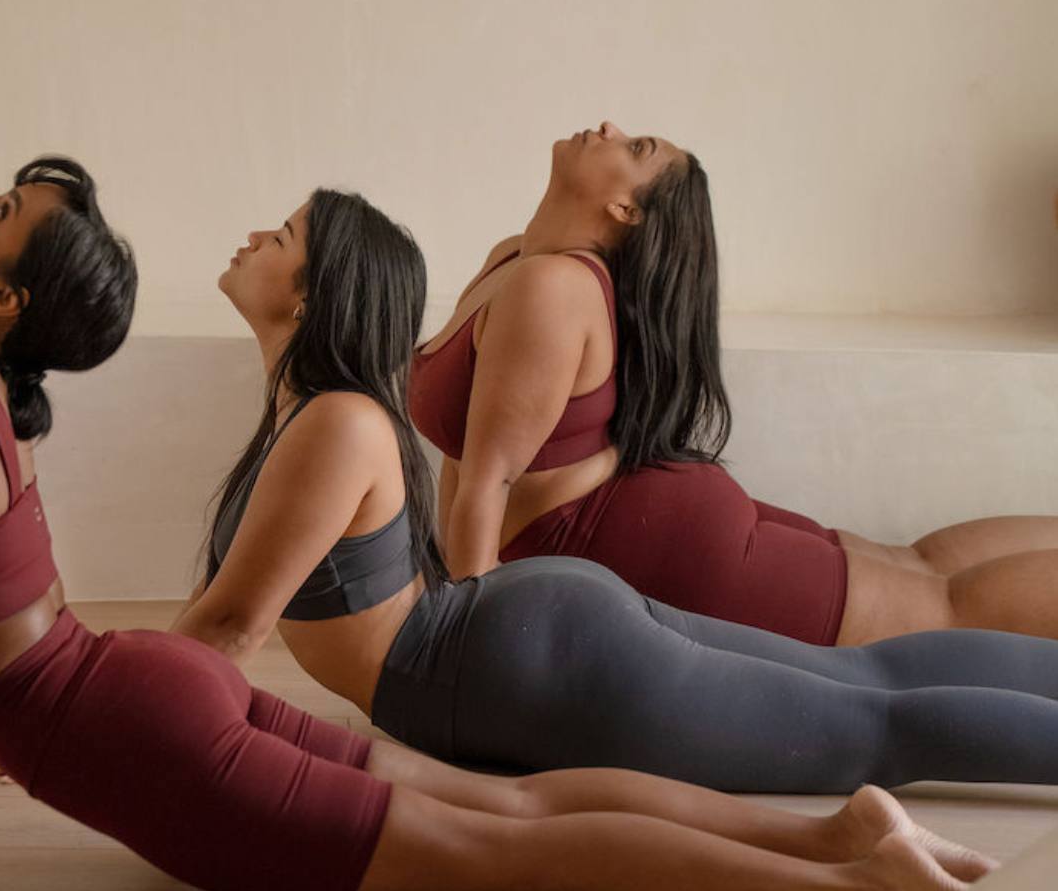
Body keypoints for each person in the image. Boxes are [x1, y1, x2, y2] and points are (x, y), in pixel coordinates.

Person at [0, 163, 974, 891]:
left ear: (2, 302)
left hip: (146, 725)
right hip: (143, 698)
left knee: (509, 860)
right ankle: (829, 836)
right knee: (517, 814)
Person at [408, 122, 1058, 646]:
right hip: (658, 519)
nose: (608, 126)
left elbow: (488, 479)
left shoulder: (551, 287)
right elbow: (471, 462)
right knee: (916, 564)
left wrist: (466, 638)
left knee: (942, 608)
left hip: (674, 545)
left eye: (635, 147)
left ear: (625, 206)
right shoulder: (515, 258)